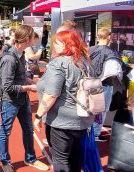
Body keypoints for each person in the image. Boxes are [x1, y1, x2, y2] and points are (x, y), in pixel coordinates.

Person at [34, 30, 94, 172]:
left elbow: (51, 95)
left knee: (60, 159)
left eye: (57, 42)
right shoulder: (85, 62)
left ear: (66, 44)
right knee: (75, 157)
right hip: (82, 118)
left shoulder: (59, 63)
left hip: (61, 121)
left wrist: (38, 115)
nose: (54, 45)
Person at [0, 25, 49, 172]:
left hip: (23, 100)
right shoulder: (9, 58)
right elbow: (7, 86)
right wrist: (29, 88)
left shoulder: (20, 55)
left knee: (28, 129)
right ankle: (5, 161)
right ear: (27, 39)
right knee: (5, 131)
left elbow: (19, 77)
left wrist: (30, 81)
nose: (35, 40)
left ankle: (30, 158)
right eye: (33, 37)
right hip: (10, 101)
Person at [89, 28, 123, 142]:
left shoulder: (89, 50)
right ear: (109, 37)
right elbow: (113, 73)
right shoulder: (111, 52)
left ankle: (89, 131)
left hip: (90, 83)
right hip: (104, 85)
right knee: (101, 110)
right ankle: (95, 134)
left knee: (90, 108)